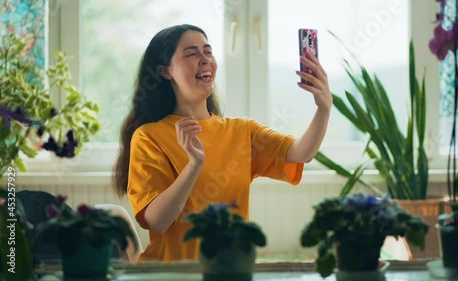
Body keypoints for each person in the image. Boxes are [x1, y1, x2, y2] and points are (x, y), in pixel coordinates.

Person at [112, 24, 332, 262]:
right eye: (192, 53)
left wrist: (324, 107)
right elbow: (157, 220)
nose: (205, 59)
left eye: (208, 52)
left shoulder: (242, 131)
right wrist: (193, 165)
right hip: (171, 275)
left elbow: (302, 152)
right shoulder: (148, 136)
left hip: (230, 271)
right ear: (166, 71)